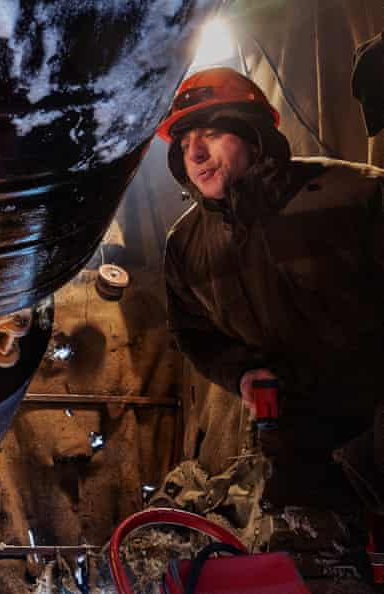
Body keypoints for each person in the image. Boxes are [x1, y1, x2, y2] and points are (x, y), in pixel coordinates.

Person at [157, 66, 384, 515]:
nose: (195, 154)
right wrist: (241, 373)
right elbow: (195, 334)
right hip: (296, 449)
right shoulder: (186, 245)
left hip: (376, 426)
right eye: (184, 145)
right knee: (309, 549)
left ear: (253, 134)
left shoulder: (356, 197)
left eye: (210, 134)